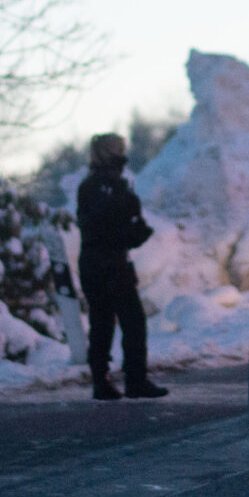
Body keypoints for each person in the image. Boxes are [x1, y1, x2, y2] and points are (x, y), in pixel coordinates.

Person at [75, 132, 164, 399]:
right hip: (111, 262)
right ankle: (134, 380)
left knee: (102, 322)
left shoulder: (93, 185)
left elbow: (96, 226)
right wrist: (133, 231)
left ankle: (102, 381)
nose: (124, 154)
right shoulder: (109, 186)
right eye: (119, 149)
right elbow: (107, 228)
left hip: (94, 262)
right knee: (132, 322)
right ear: (110, 153)